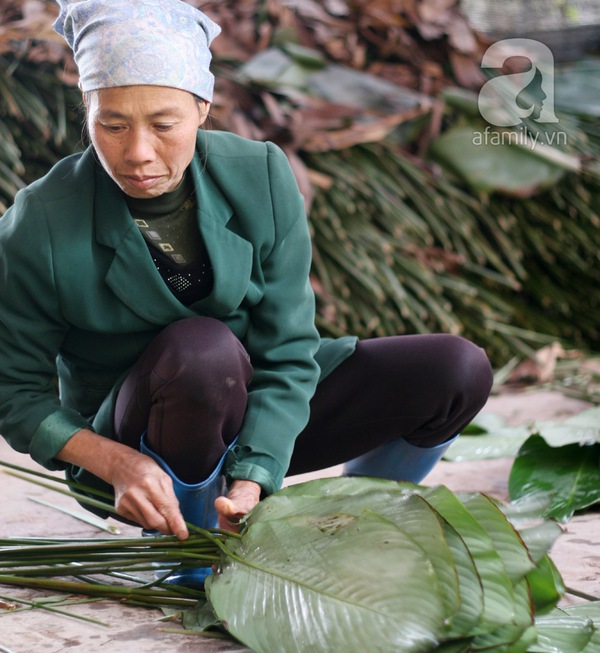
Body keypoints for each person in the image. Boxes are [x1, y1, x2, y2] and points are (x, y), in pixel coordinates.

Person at [0, 0, 493, 583]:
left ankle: (356, 520)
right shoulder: (41, 220)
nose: (138, 153)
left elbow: (287, 348)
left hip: (252, 408)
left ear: (202, 108)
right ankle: (188, 549)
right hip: (139, 444)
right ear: (86, 109)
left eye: (163, 124)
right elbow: (15, 392)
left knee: (455, 369)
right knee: (202, 350)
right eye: (113, 124)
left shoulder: (258, 173)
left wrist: (256, 471)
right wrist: (115, 461)